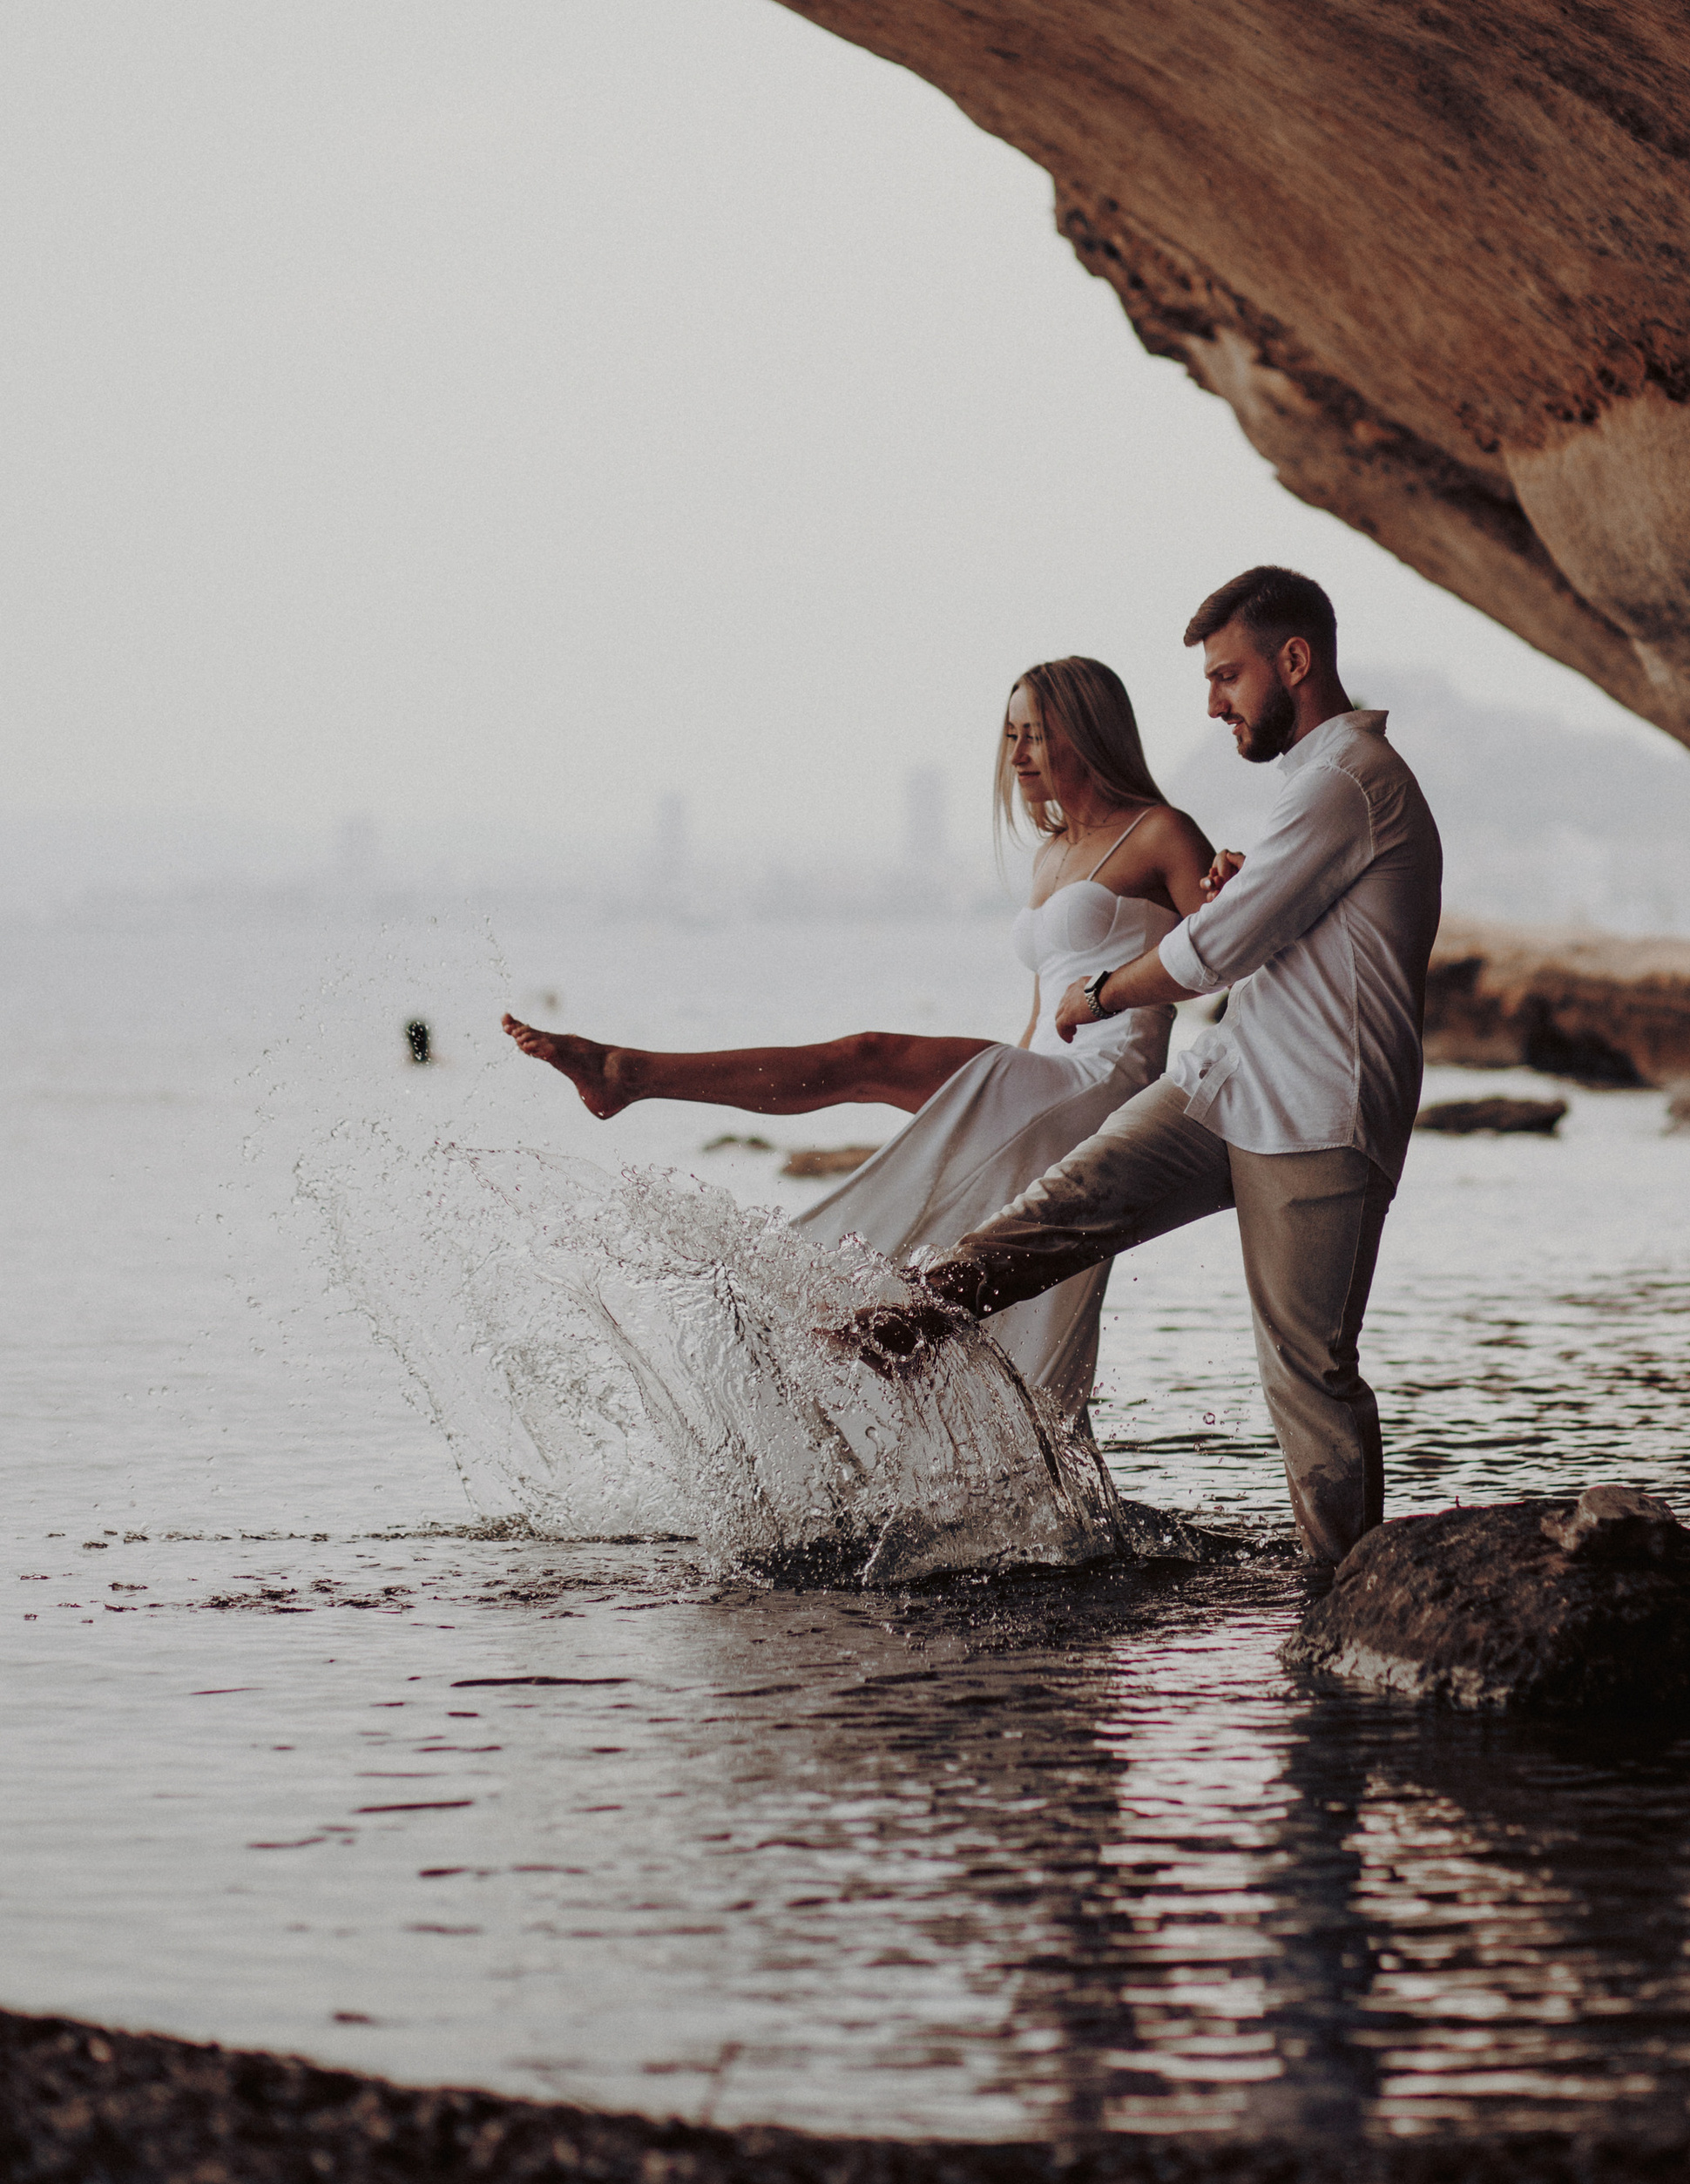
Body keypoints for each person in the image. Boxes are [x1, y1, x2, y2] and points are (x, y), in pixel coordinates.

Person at [862, 567, 1443, 1565]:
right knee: (1059, 1209)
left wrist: (1100, 995)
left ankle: (1346, 1588)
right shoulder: (1314, 788)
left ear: (1293, 661)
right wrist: (1228, 890)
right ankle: (895, 1335)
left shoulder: (1348, 781)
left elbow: (1216, 952)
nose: (1214, 703)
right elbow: (1251, 928)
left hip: (1317, 1116)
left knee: (1307, 1370)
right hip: (1226, 1086)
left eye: (1227, 676)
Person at [502, 659, 1216, 1418]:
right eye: (1010, 735)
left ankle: (629, 1073)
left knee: (866, 1058)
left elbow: (1227, 950)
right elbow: (1040, 1014)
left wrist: (1122, 987)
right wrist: (976, 1106)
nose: (1015, 756)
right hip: (1043, 1074)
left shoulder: (1162, 831)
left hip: (1107, 1080)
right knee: (963, 1237)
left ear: (1090, 731)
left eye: (1035, 735)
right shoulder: (1050, 855)